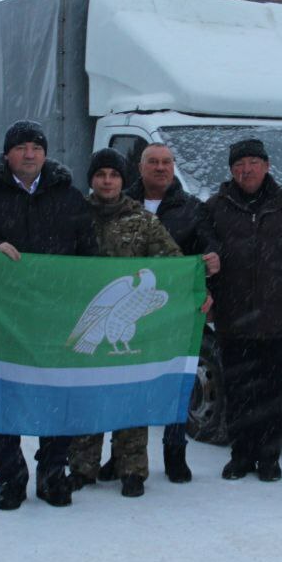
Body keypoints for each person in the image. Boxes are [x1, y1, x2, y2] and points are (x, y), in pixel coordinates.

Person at [0, 120, 98, 510]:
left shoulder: (69, 198)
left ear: (46, 154)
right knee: (2, 398)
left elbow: (90, 257)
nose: (29, 154)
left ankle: (52, 473)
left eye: (36, 147)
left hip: (54, 318)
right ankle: (11, 477)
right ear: (7, 154)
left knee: (57, 396)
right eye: (21, 147)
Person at [67, 149, 185, 498]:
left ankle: (131, 468)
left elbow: (172, 262)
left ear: (122, 180)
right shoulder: (75, 216)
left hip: (127, 325)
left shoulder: (142, 221)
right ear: (91, 179)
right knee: (88, 393)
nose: (107, 181)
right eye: (101, 174)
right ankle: (83, 466)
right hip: (88, 319)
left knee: (129, 393)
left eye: (113, 175)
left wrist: (197, 278)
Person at [205, 138, 282, 483]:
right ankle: (241, 456)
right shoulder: (216, 207)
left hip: (276, 318)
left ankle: (269, 458)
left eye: (253, 162)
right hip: (232, 320)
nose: (246, 170)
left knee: (273, 395)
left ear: (266, 166)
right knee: (238, 393)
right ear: (231, 170)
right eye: (239, 164)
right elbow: (204, 257)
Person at [113, 142, 220, 483]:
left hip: (172, 310)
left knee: (174, 380)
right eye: (153, 162)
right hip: (129, 311)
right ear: (140, 168)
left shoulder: (191, 208)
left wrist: (212, 270)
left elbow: (209, 248)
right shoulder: (120, 204)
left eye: (166, 162)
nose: (160, 168)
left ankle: (175, 453)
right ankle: (121, 458)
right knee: (126, 383)